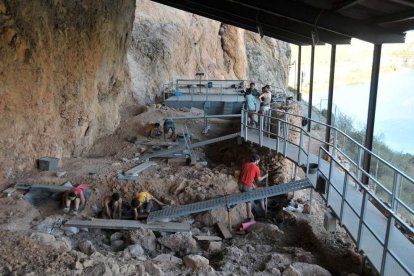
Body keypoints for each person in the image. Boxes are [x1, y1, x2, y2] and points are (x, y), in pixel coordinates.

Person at [239, 154, 268, 219]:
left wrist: (252, 184)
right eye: (258, 161)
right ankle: (261, 212)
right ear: (256, 160)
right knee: (249, 201)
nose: (258, 162)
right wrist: (265, 176)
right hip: (247, 187)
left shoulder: (245, 164)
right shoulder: (256, 168)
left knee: (256, 190)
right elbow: (258, 180)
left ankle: (262, 210)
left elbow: (243, 176)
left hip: (240, 185)